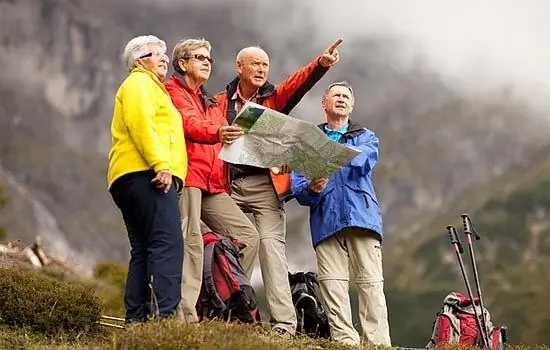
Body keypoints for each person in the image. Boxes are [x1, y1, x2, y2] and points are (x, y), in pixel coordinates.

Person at [215, 39, 343, 338]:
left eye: (265, 65)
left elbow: (297, 84)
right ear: (240, 67)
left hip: (264, 187)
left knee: (272, 250)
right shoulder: (219, 102)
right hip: (229, 184)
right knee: (238, 246)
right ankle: (234, 316)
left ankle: (283, 326)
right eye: (255, 64)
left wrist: (319, 65)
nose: (261, 69)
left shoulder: (274, 97)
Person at [164, 38, 260, 324]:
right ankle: (187, 317)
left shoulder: (209, 100)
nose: (207, 62)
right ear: (182, 63)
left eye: (210, 58)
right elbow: (189, 124)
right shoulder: (173, 91)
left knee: (248, 236)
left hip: (214, 183)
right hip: (190, 176)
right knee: (191, 242)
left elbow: (227, 140)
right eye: (199, 57)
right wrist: (220, 131)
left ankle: (225, 302)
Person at [290, 81, 392, 347]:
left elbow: (362, 162)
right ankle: (345, 342)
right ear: (324, 103)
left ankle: (378, 343)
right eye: (335, 95)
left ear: (352, 105)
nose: (341, 99)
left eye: (346, 95)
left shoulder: (365, 136)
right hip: (326, 220)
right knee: (333, 286)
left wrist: (325, 153)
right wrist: (313, 188)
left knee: (371, 283)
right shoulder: (307, 143)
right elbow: (299, 191)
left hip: (362, 217)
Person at [107, 35, 188, 325]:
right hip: (147, 173)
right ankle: (164, 320)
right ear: (140, 60)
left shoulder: (147, 86)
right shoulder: (140, 83)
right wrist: (161, 165)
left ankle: (136, 320)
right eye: (158, 54)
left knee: (142, 248)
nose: (164, 59)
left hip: (127, 176)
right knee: (167, 244)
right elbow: (142, 124)